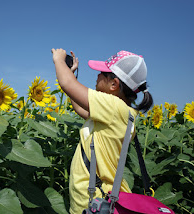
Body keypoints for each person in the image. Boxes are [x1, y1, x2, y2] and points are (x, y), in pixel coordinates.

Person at [51, 49, 153, 214]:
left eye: (102, 73)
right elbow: (79, 107)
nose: (97, 75)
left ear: (114, 84)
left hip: (95, 202)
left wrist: (59, 60)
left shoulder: (113, 107)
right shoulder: (118, 112)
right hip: (99, 198)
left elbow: (67, 84)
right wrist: (71, 74)